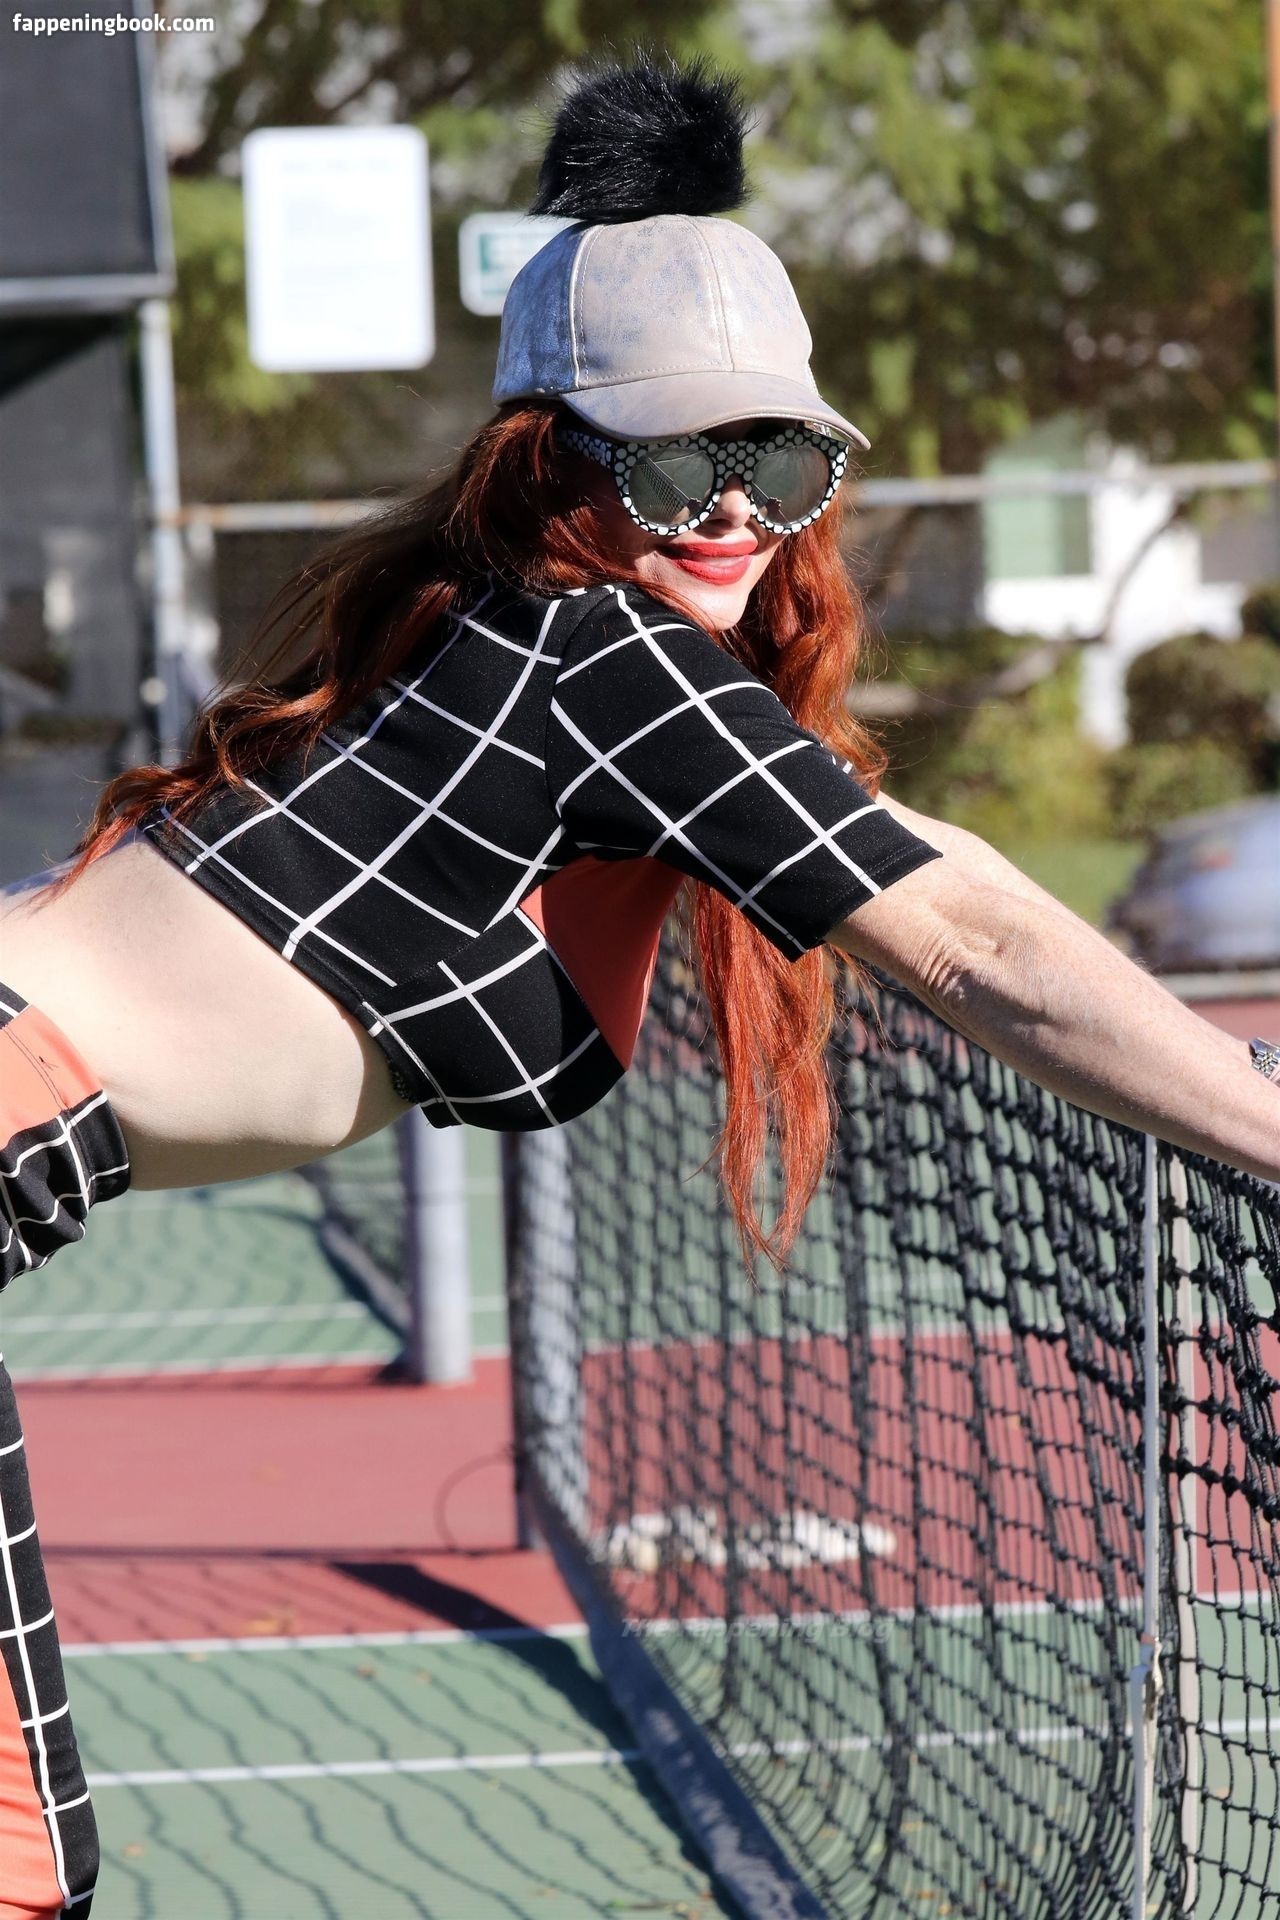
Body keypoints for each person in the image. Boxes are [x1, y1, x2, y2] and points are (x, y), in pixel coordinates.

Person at [0, 55, 1276, 1917]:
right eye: (680, 462)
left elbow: (920, 867)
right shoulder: (599, 660)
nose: (737, 511)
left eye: (784, 461)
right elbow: (975, 943)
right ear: (550, 465)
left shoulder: (519, 653)